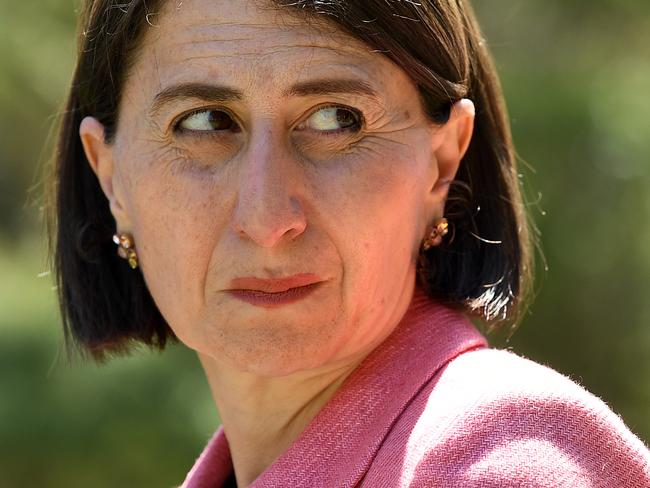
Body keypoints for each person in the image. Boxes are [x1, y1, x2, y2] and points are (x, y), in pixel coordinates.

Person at [49, 0, 650, 486]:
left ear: (442, 163)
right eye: (204, 122)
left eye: (336, 118)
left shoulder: (491, 461)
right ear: (111, 178)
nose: (266, 218)